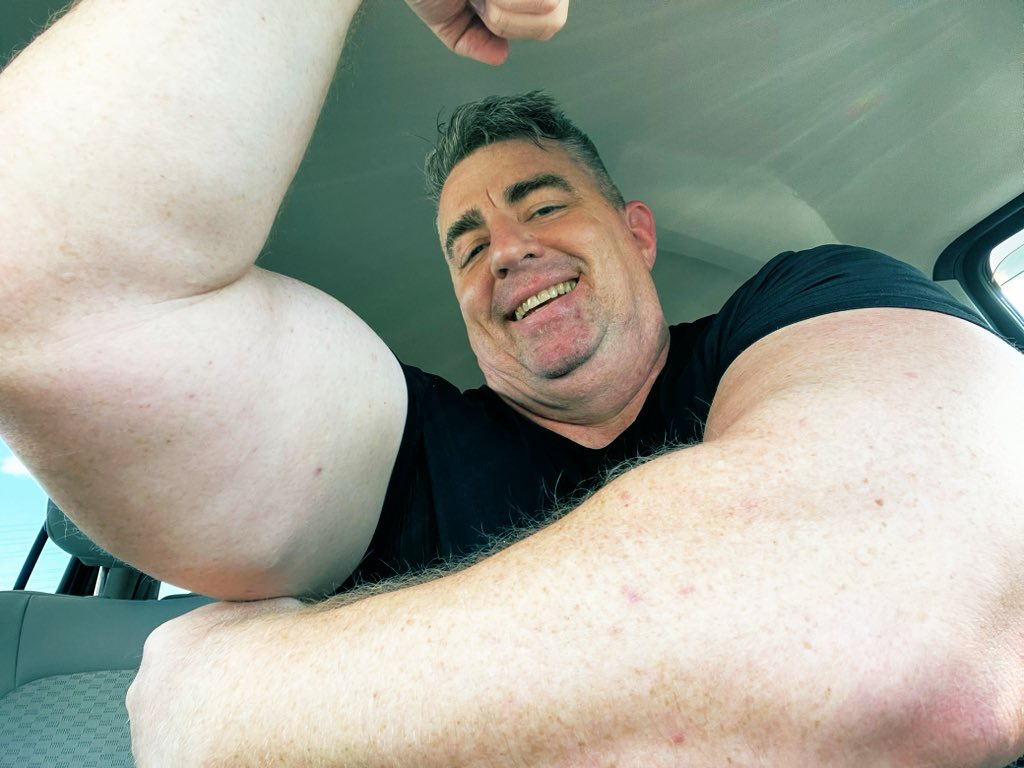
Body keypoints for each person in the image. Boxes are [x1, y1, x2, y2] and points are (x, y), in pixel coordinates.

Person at [0, 1, 1021, 766]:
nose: (507, 251)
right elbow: (41, 287)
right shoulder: (400, 449)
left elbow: (915, 625)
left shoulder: (807, 300)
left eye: (542, 205)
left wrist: (243, 705)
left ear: (636, 232)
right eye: (467, 243)